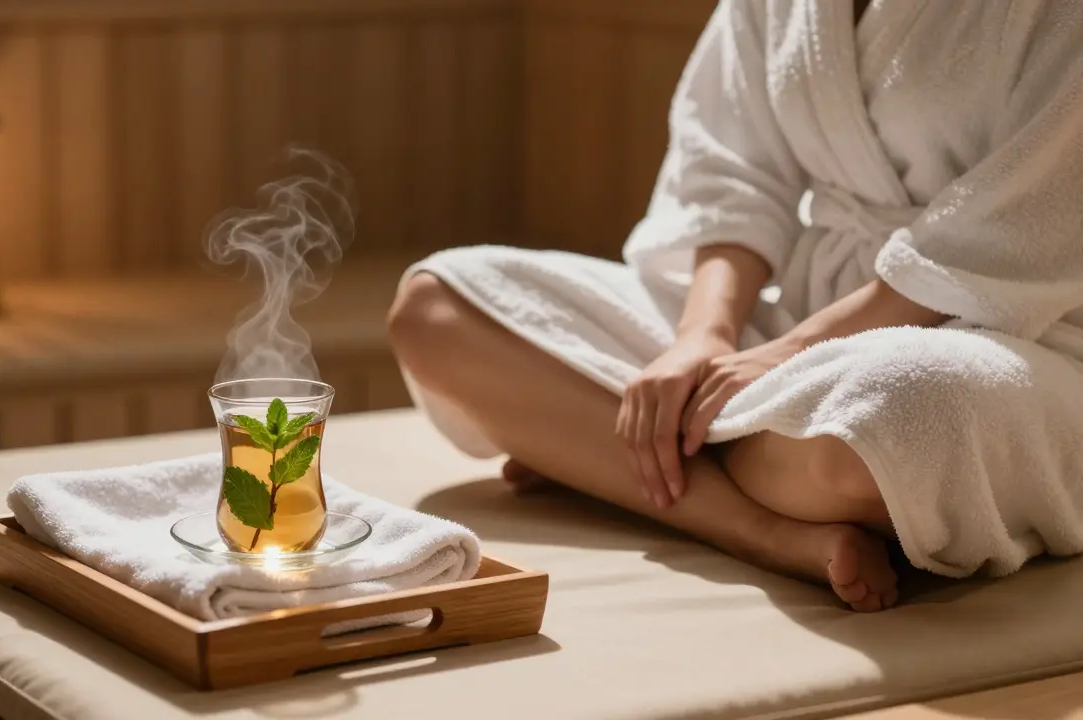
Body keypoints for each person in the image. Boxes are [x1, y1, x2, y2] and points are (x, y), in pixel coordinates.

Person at [386, 0, 1083, 612]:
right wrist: (703, 337)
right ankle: (762, 530)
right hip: (800, 311)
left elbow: (1018, 229)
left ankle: (598, 450)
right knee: (435, 308)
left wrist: (787, 353)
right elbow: (730, 171)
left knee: (883, 419)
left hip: (1010, 330)